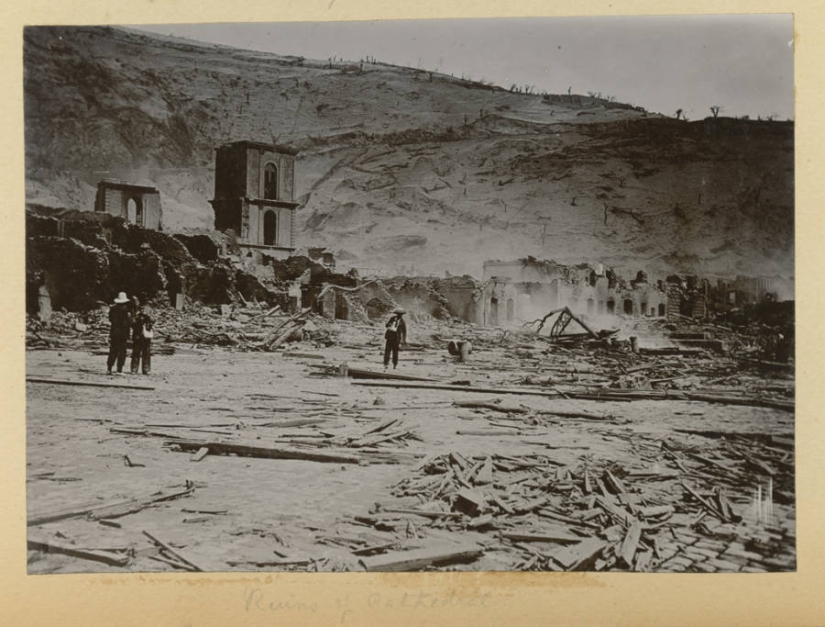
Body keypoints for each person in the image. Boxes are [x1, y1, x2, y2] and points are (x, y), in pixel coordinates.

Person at [107, 291, 132, 375]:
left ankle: (109, 368)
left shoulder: (112, 309)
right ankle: (119, 369)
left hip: (114, 331)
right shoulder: (125, 310)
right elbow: (126, 323)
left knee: (113, 350)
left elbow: (110, 319)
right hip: (122, 332)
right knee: (122, 351)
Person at [130, 297, 154, 375]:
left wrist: (147, 318)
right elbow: (132, 322)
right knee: (136, 351)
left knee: (146, 352)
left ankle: (145, 369)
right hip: (137, 333)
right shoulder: (134, 310)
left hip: (145, 333)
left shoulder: (149, 310)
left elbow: (153, 320)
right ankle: (134, 369)